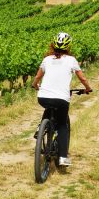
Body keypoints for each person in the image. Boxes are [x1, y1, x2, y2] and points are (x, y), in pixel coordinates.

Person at [31, 32, 92, 167]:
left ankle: (41, 127)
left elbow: (37, 77)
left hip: (43, 96)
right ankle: (63, 158)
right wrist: (88, 88)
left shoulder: (46, 59)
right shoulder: (71, 60)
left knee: (49, 106)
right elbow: (82, 78)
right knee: (62, 125)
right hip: (61, 99)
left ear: (53, 45)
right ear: (68, 47)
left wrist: (35, 85)